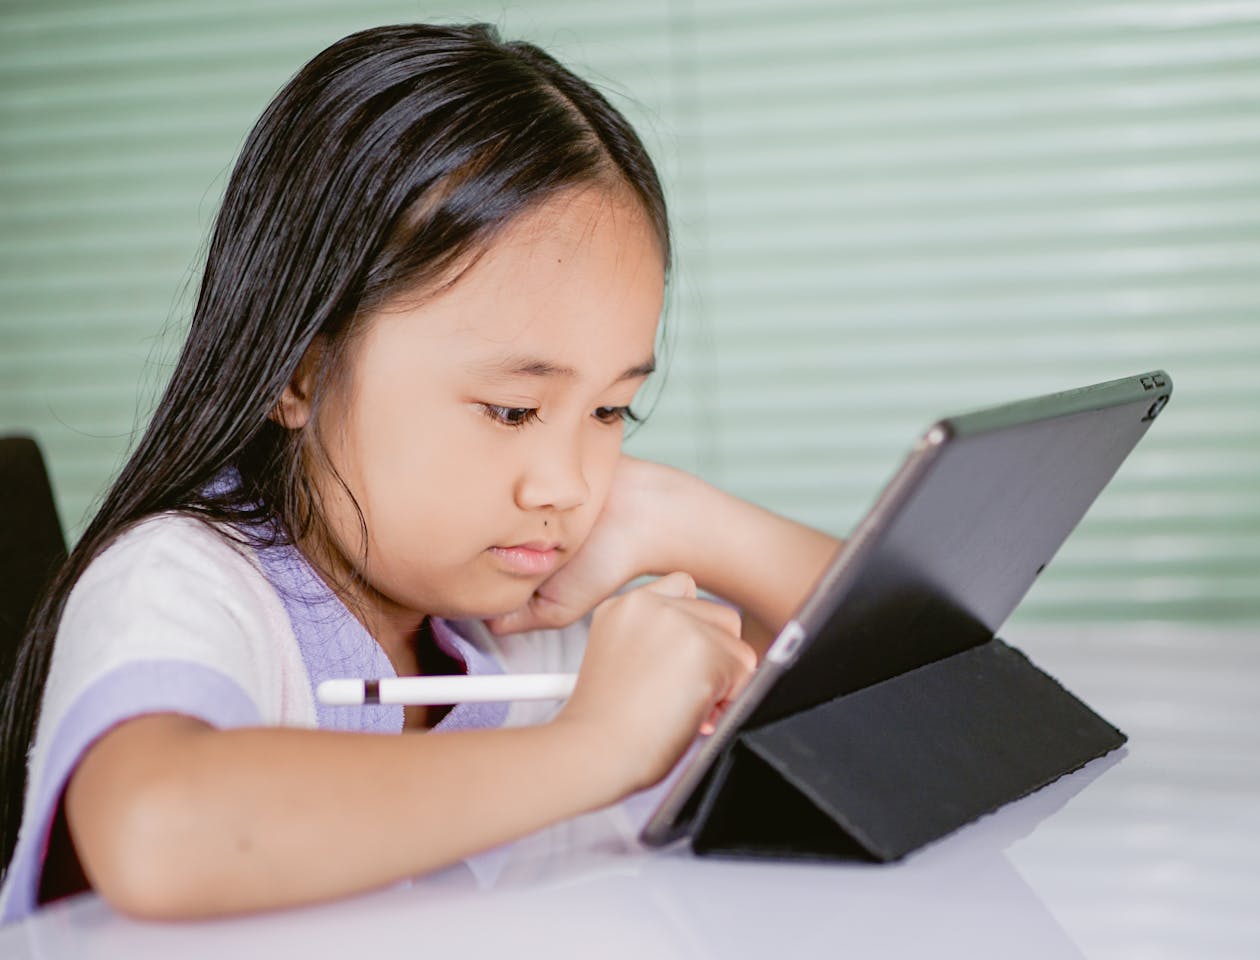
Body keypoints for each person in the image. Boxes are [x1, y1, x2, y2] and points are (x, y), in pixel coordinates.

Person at [0, 23, 838, 922]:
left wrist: (689, 517)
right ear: (300, 371)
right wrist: (598, 746)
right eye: (512, 410)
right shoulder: (181, 581)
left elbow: (943, 699)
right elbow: (159, 832)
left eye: (609, 411)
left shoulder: (525, 601)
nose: (564, 483)